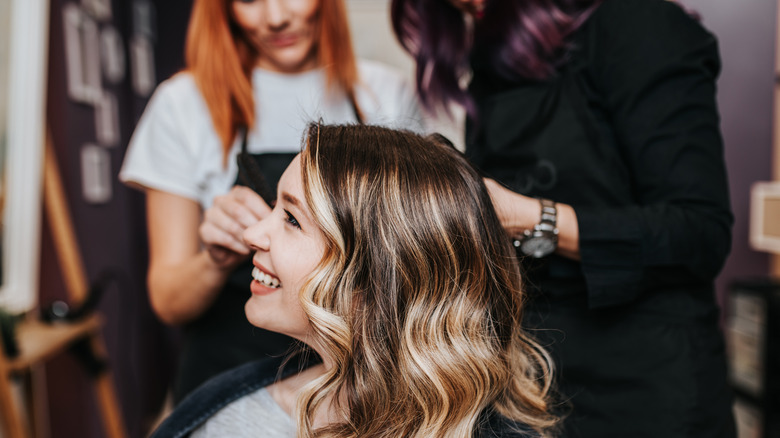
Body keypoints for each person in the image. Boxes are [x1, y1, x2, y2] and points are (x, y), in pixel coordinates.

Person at [390, 0, 736, 436]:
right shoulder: (493, 59)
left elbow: (699, 232)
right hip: (536, 380)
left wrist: (532, 218)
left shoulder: (636, 23)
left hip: (648, 385)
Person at [150, 123, 559, 438]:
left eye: (291, 219)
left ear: (377, 279)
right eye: (275, 206)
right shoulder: (230, 410)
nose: (252, 235)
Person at [119, 0, 422, 403]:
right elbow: (169, 301)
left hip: (361, 383)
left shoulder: (386, 94)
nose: (276, 17)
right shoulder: (182, 104)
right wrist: (215, 257)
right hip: (226, 374)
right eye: (249, 0)